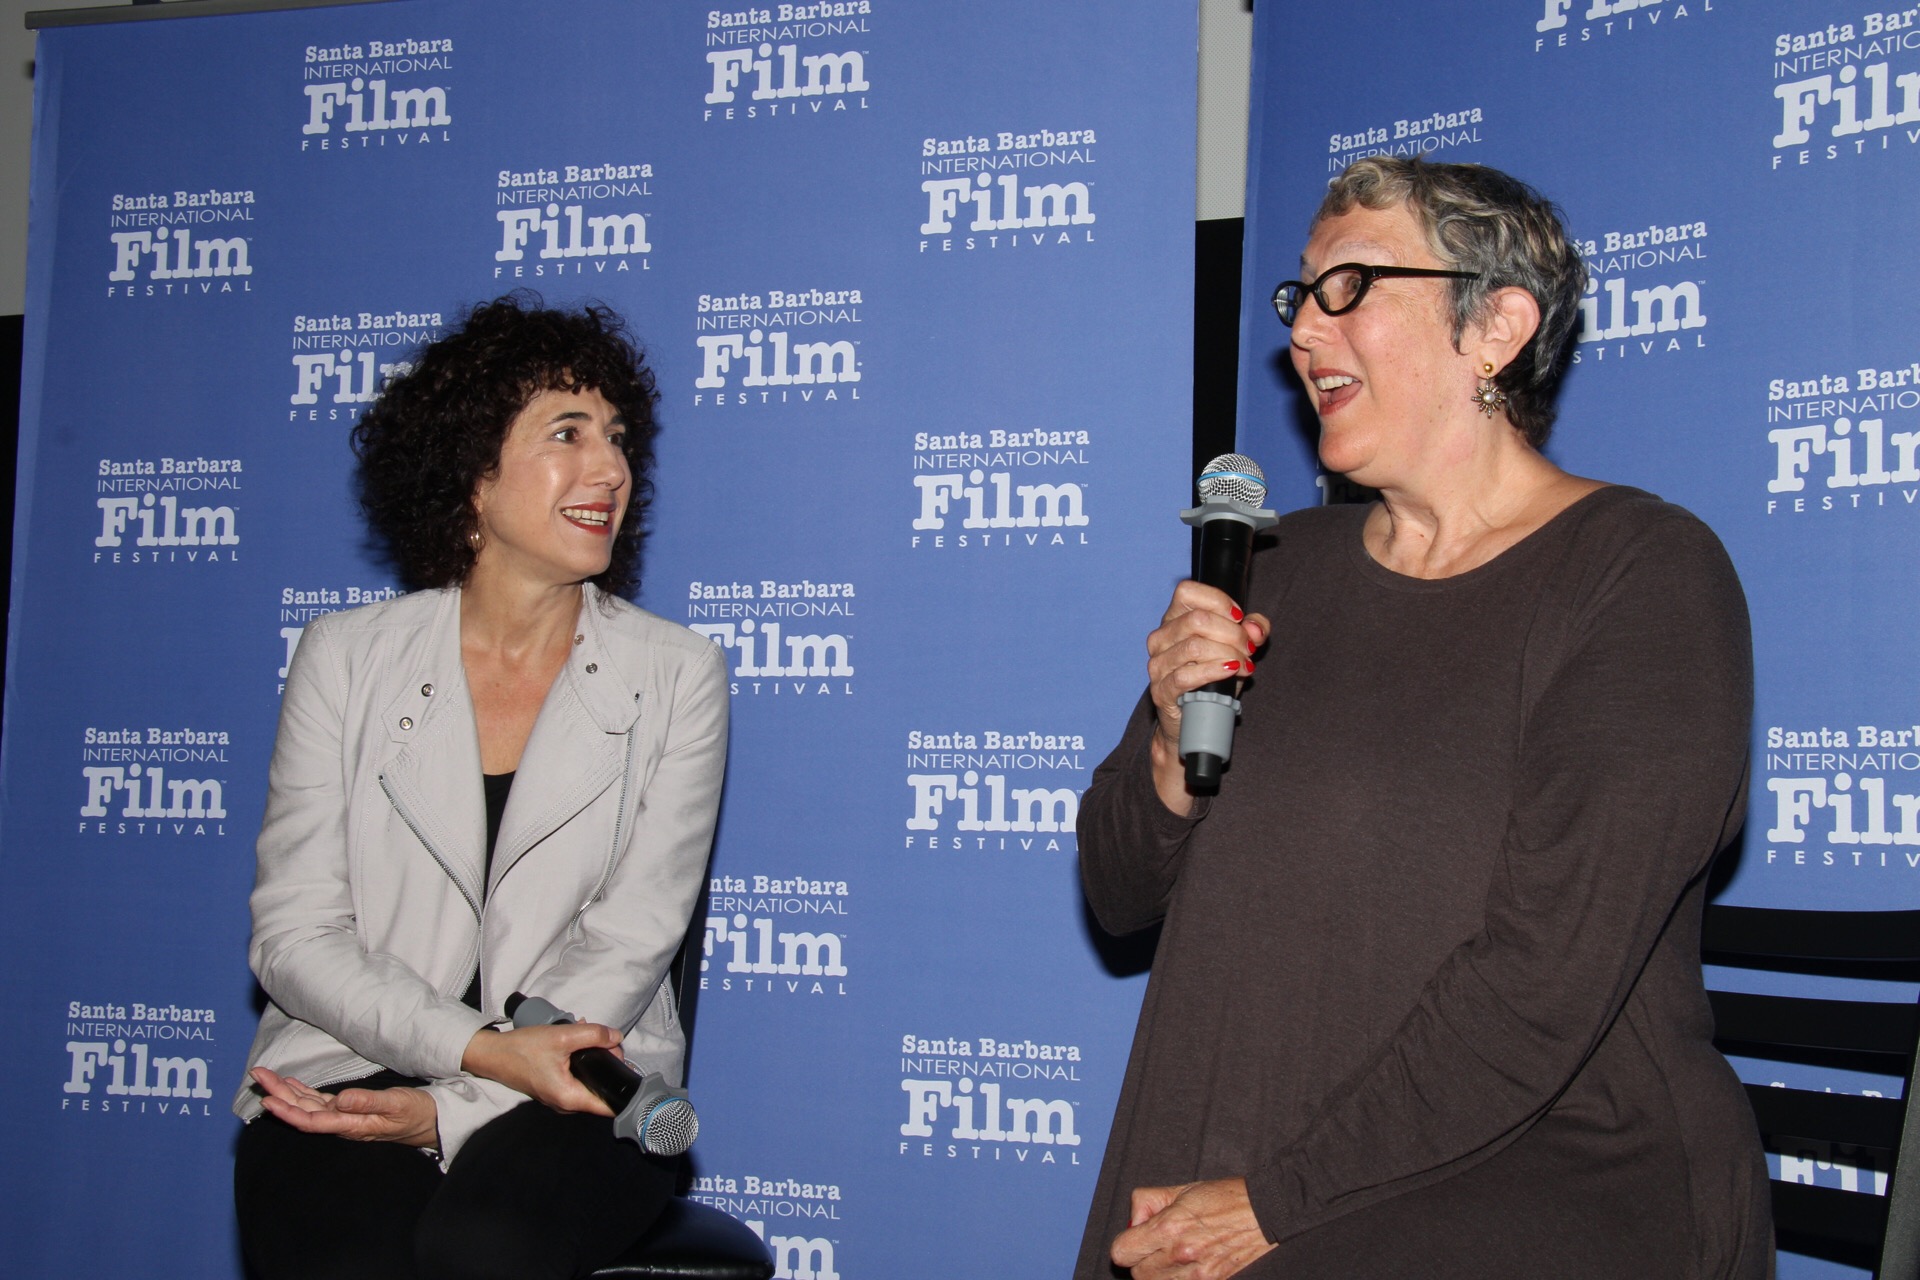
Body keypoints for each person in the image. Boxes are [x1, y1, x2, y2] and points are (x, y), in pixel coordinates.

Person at [1074, 158, 1770, 1280]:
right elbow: (1116, 889)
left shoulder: (1642, 575)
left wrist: (1272, 1202)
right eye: (1299, 297)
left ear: (1494, 326)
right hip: (1249, 1154)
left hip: (1542, 1180)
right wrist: (1166, 738)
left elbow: (1543, 982)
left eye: (1350, 286)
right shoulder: (1272, 567)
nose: (1304, 332)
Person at [230, 295, 728, 1280]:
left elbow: (630, 939)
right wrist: (467, 1049)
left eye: (619, 437)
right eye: (567, 433)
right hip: (350, 1056)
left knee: (483, 1245)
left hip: (583, 1082)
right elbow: (293, 933)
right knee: (348, 1250)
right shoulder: (344, 657)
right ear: (473, 476)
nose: (611, 468)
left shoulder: (679, 672)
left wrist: (455, 1099)